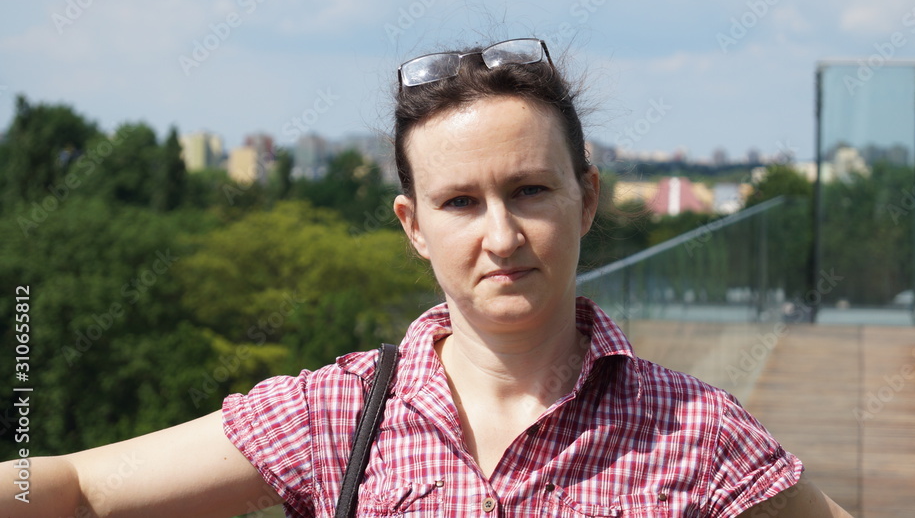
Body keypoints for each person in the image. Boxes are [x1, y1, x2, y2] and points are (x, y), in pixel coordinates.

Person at [1, 37, 852, 517]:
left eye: (530, 191)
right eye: (460, 203)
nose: (501, 236)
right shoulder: (338, 415)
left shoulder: (696, 431)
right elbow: (77, 488)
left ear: (587, 199)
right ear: (413, 225)